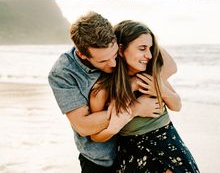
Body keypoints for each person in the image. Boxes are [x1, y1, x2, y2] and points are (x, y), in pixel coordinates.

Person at [48, 12, 177, 173]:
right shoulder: (63, 73)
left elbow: (170, 65)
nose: (114, 64)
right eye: (103, 61)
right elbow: (83, 126)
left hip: (133, 149)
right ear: (82, 54)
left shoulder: (116, 36)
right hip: (101, 158)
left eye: (115, 55)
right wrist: (134, 108)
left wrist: (134, 84)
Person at [89, 20, 200, 172]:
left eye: (151, 48)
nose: (148, 55)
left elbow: (177, 105)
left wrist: (160, 89)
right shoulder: (103, 89)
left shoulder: (150, 75)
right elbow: (95, 136)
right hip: (133, 152)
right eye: (142, 48)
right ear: (121, 50)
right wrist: (113, 128)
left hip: (169, 144)